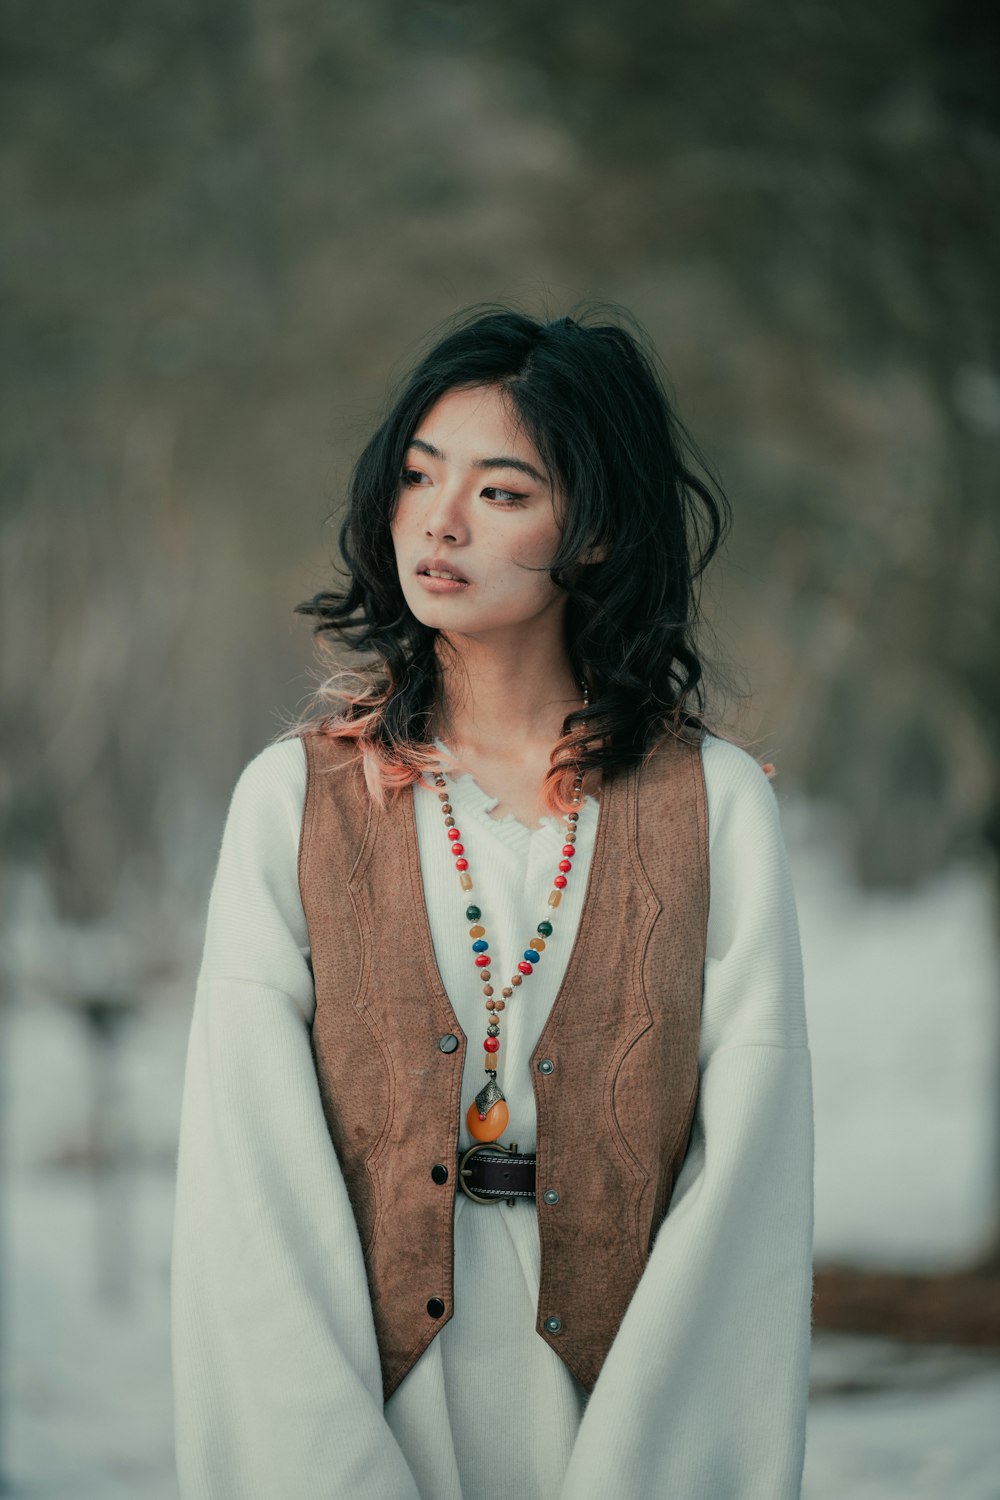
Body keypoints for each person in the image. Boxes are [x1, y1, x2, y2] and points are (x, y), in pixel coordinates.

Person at [170, 306, 814, 1500]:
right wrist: (327, 1463)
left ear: (600, 533)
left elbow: (749, 1189)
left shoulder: (712, 807)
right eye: (418, 475)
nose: (439, 519)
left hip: (625, 1407)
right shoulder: (293, 804)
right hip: (374, 1401)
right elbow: (245, 1175)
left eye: (504, 493)